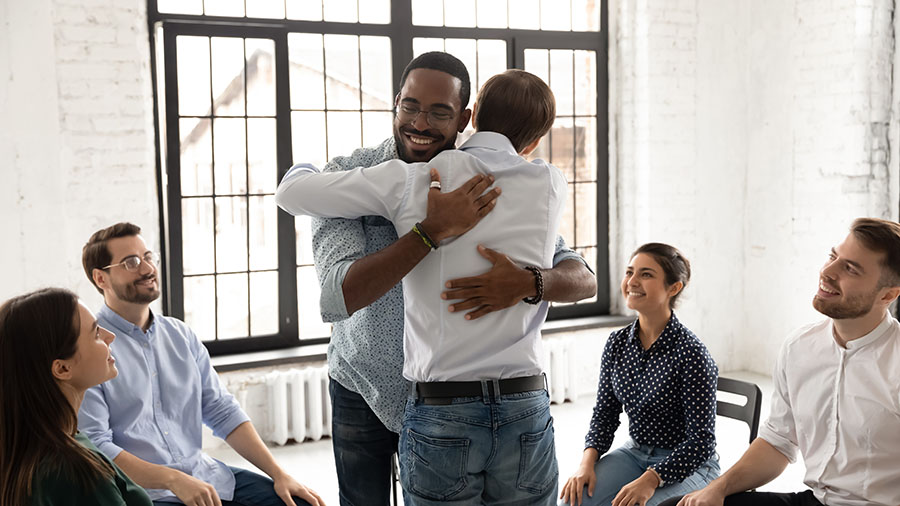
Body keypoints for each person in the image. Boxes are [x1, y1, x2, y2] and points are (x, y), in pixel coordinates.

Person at [301, 51, 597, 505]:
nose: (421, 122)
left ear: (466, 118)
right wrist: (429, 233)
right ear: (395, 103)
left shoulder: (494, 183)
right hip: (366, 385)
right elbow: (337, 296)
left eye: (439, 112)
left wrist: (530, 283)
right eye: (410, 106)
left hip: (446, 401)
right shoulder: (362, 176)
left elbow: (581, 276)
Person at [77, 223, 324, 506]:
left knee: (299, 503)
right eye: (131, 262)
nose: (146, 269)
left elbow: (221, 410)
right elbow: (97, 445)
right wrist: (172, 479)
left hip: (205, 476)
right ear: (101, 278)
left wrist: (279, 474)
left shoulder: (180, 335)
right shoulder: (92, 348)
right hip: (147, 493)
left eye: (147, 257)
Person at [661, 217, 900, 506]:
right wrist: (718, 488)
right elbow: (778, 442)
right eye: (833, 257)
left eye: (850, 268)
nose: (827, 272)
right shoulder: (799, 347)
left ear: (887, 294)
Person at [560, 243, 719, 506]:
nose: (632, 281)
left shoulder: (692, 354)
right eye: (629, 272)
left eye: (646, 274)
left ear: (673, 288)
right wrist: (585, 464)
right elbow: (605, 413)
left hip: (690, 465)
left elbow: (701, 442)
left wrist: (651, 479)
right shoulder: (617, 343)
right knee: (573, 500)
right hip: (635, 453)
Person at [0, 287, 153, 506]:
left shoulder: (28, 446)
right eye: (96, 333)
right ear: (62, 369)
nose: (110, 336)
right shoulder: (75, 472)